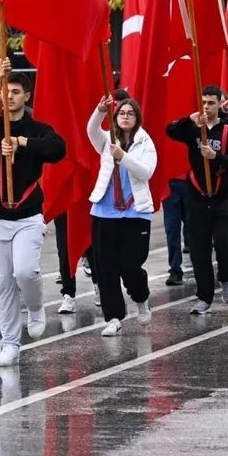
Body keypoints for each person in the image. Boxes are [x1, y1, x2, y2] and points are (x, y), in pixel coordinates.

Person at [0, 58, 66, 367]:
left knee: (25, 272)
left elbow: (57, 148)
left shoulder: (37, 129)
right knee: (2, 283)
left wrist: (22, 142)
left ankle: (35, 307)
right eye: (6, 91)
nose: (9, 96)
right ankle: (10, 343)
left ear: (27, 96)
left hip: (27, 216)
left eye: (16, 92)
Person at [165, 86, 228, 314]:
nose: (207, 107)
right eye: (203, 103)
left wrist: (215, 156)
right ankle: (204, 297)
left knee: (225, 244)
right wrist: (188, 119)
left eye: (211, 103)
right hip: (198, 198)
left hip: (223, 197)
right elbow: (170, 130)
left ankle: (226, 278)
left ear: (219, 104)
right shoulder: (193, 129)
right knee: (199, 251)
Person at [86, 95, 157, 335]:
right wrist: (99, 110)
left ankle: (140, 296)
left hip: (136, 213)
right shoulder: (107, 139)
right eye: (122, 113)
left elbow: (146, 172)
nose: (126, 117)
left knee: (130, 266)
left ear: (137, 118)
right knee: (105, 268)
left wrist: (123, 157)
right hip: (104, 211)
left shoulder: (145, 141)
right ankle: (113, 317)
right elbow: (91, 130)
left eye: (130, 113)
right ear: (115, 117)